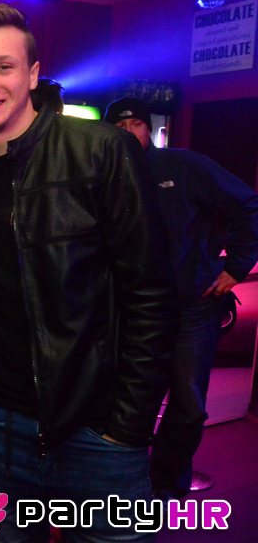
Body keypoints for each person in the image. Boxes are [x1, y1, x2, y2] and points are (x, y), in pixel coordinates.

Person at [0, 4, 175, 543]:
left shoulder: (101, 151)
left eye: (3, 67)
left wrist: (128, 424)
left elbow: (152, 294)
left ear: (31, 74)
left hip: (96, 430)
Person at [104, 97, 258, 500]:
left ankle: (167, 485)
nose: (128, 132)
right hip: (131, 309)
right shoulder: (104, 173)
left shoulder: (184, 165)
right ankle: (129, 481)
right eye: (119, 126)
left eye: (136, 124)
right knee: (129, 398)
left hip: (191, 307)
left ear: (149, 128)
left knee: (188, 405)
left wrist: (236, 267)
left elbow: (248, 204)